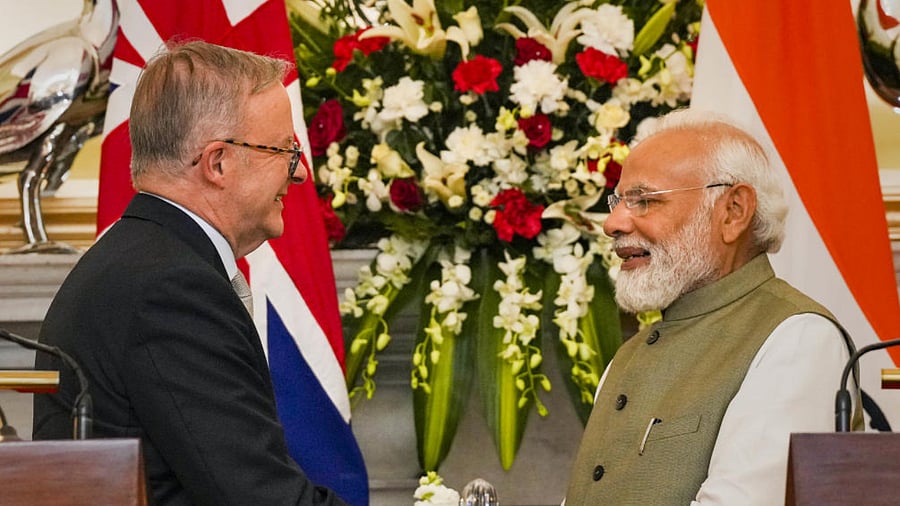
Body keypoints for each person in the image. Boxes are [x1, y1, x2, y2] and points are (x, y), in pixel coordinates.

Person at [32, 40, 347, 506]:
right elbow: (257, 497)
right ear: (218, 162)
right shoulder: (171, 287)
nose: (299, 173)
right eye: (284, 149)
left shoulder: (145, 260)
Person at [564, 109, 859, 505]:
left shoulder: (798, 338)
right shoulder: (630, 354)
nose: (612, 223)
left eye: (644, 201)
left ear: (733, 211)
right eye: (619, 201)